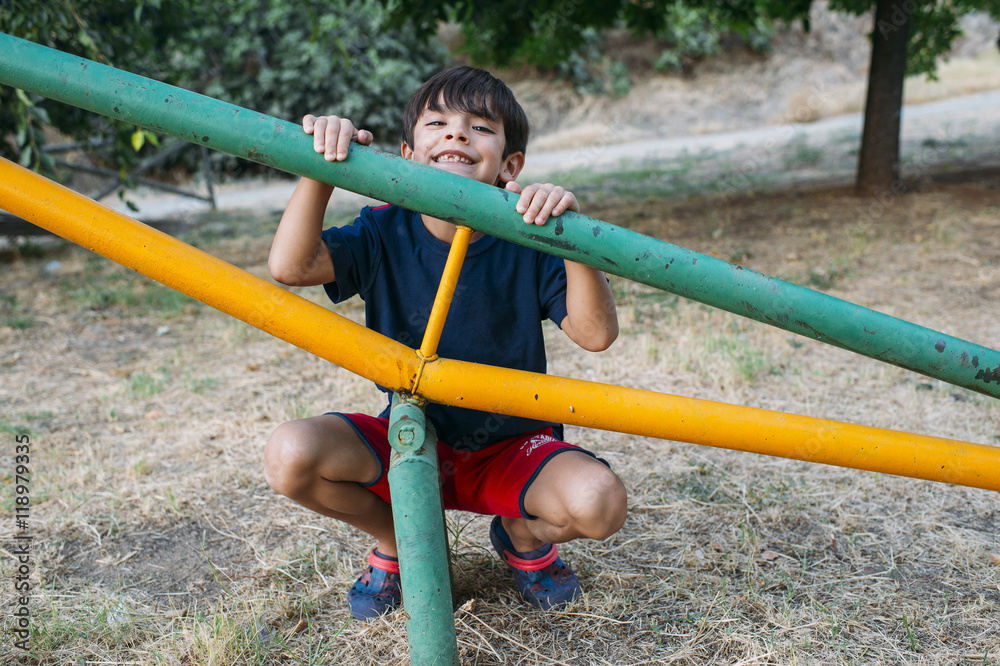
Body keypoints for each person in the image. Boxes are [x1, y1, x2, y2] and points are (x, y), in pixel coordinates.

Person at [263, 66, 628, 621]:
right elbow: (291, 266)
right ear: (408, 152)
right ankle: (403, 539)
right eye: (438, 122)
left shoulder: (526, 237)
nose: (456, 134)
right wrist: (320, 169)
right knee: (290, 455)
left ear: (511, 166)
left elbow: (596, 334)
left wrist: (572, 237)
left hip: (512, 446)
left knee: (599, 503)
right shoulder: (383, 229)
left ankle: (521, 536)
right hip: (411, 437)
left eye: (479, 126)